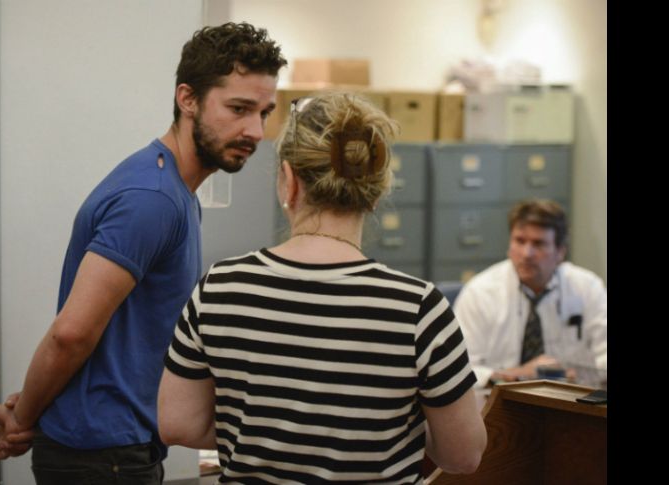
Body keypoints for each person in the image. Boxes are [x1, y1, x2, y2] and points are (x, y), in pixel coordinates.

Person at [0, 22, 287, 484]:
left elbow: (117, 335)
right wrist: (26, 417)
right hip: (106, 456)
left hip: (111, 445)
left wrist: (37, 401)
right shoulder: (152, 198)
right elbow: (72, 334)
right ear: (188, 98)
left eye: (263, 112)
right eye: (238, 109)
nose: (255, 131)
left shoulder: (171, 190)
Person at [157, 92, 487, 483]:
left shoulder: (220, 288)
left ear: (289, 181)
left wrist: (263, 430)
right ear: (377, 192)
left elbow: (176, 423)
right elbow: (463, 455)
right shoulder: (418, 309)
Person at [453, 199, 607, 388]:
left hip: (571, 399)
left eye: (539, 244)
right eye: (519, 241)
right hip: (497, 403)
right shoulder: (480, 293)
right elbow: (459, 370)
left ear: (560, 252)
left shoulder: (587, 288)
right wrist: (519, 375)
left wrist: (580, 374)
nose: (527, 253)